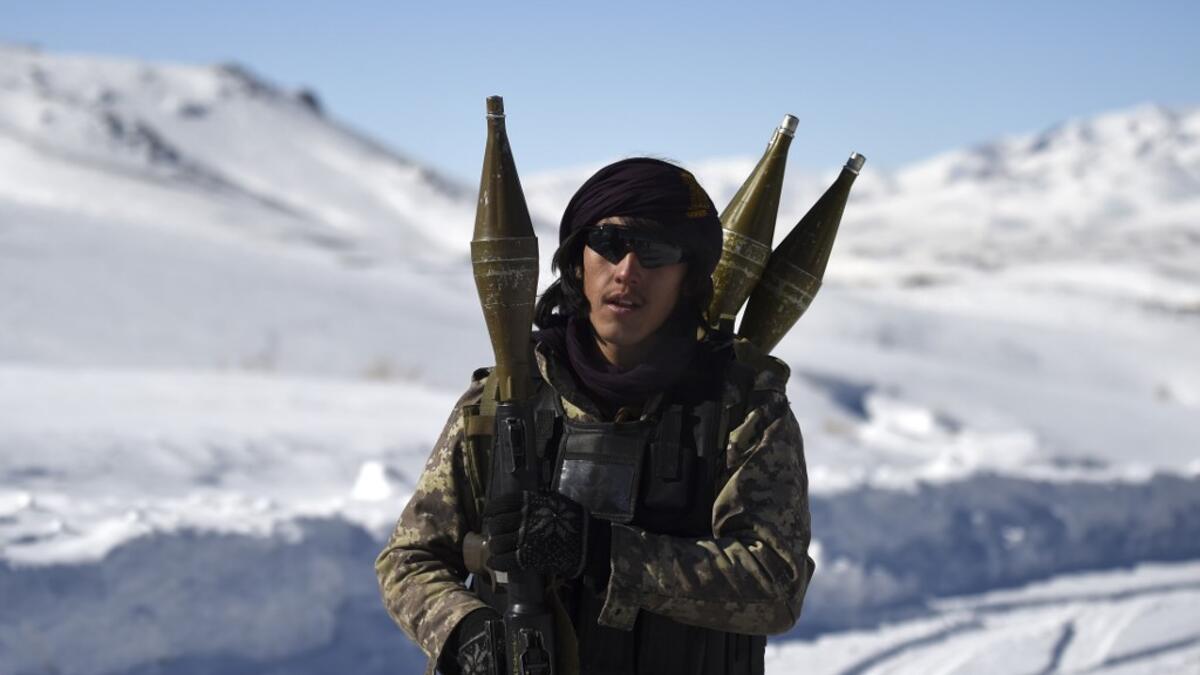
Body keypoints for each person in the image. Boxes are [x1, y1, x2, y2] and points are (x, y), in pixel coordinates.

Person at [376, 158, 814, 675]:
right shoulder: (500, 401)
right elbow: (409, 560)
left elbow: (775, 585)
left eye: (654, 252)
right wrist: (464, 629)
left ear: (688, 278)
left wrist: (604, 552)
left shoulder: (741, 411)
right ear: (578, 260)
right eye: (608, 244)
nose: (627, 271)